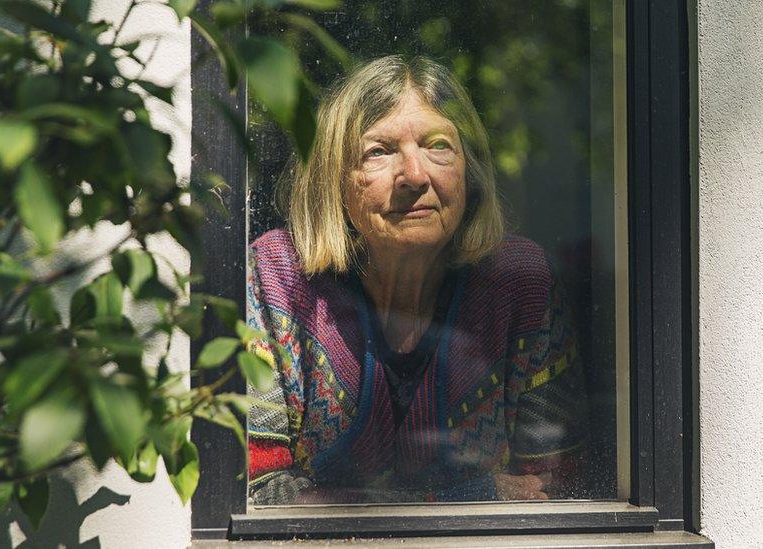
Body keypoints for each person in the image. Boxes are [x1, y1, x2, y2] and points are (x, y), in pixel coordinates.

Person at [246, 55, 589, 505]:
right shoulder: (278, 280)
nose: (414, 174)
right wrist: (471, 497)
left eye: (438, 145)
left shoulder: (520, 284)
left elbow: (558, 489)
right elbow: (253, 494)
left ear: (469, 168)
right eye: (379, 151)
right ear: (332, 179)